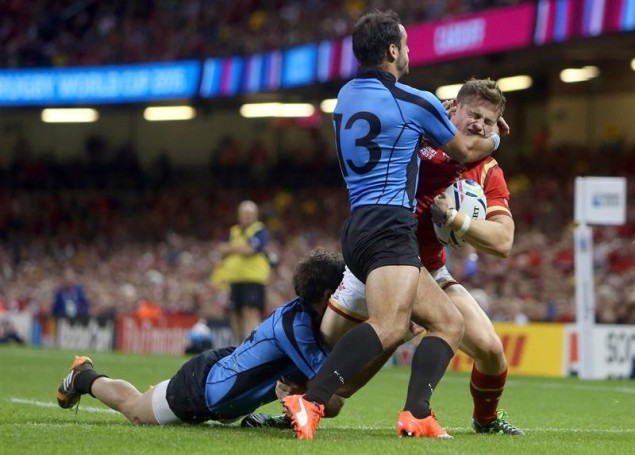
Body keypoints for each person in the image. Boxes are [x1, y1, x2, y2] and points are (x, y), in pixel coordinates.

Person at [244, 78, 522, 436]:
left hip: (430, 271)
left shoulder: (486, 169)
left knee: (490, 350)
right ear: (453, 107)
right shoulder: (417, 135)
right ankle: (277, 398)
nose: (479, 127)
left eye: (488, 122)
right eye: (475, 116)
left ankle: (483, 420)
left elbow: (503, 241)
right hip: (381, 262)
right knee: (337, 392)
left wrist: (455, 220)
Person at [281, 11, 501, 440]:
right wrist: (493, 137)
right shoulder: (414, 101)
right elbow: (462, 148)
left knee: (448, 323)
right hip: (389, 224)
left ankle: (417, 414)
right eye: (406, 44)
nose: (410, 52)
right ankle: (311, 400)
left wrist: (436, 112)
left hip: (360, 222)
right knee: (390, 325)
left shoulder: (345, 96)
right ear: (392, 51)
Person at [55, 249, 347, 426]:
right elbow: (331, 403)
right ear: (327, 294)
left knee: (147, 400)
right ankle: (84, 376)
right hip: (202, 390)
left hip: (221, 379)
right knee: (135, 411)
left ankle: (153, 391)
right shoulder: (299, 329)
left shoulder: (304, 319)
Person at [217, 200, 271, 343]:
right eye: (245, 214)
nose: (247, 216)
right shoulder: (233, 231)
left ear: (256, 215)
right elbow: (221, 249)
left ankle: (254, 344)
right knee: (235, 313)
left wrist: (232, 248)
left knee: (250, 311)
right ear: (239, 215)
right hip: (235, 279)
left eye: (250, 214)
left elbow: (251, 250)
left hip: (253, 279)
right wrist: (239, 248)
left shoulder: (259, 230)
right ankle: (238, 346)